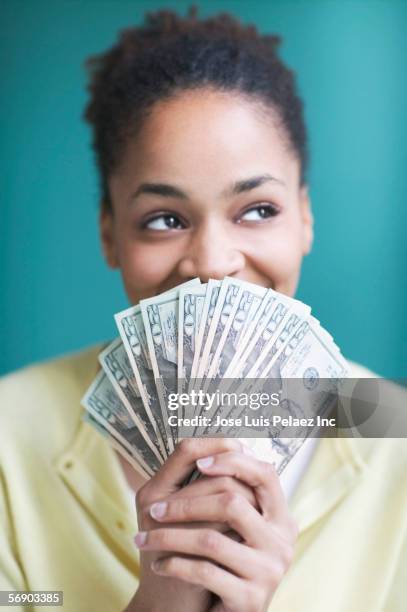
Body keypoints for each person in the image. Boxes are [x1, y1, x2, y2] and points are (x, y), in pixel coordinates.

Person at [0, 6, 405, 612]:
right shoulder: (8, 434)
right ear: (109, 233)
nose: (214, 263)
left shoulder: (396, 437)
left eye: (258, 209)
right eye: (165, 219)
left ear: (305, 215)